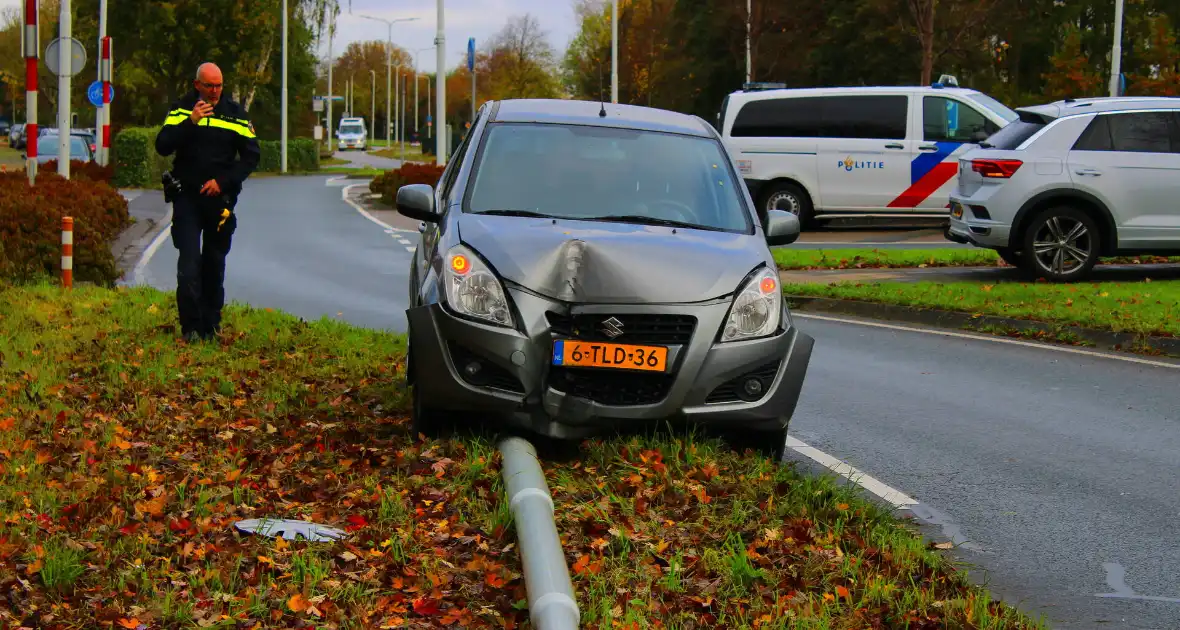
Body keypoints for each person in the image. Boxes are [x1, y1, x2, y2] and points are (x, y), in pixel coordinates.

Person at [155, 62, 260, 342]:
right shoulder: (181, 109)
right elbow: (163, 145)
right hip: (188, 197)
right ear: (197, 84)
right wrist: (191, 121)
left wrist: (223, 182)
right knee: (189, 263)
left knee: (214, 263)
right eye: (209, 86)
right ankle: (190, 327)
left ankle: (210, 326)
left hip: (221, 201)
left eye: (219, 85)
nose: (214, 91)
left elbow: (251, 157)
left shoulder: (236, 114)